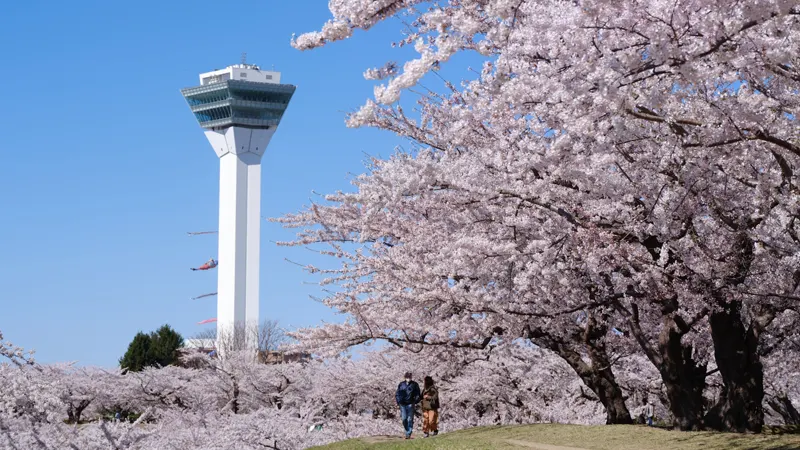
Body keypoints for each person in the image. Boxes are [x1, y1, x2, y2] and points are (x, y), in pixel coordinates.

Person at [395, 371, 421, 439]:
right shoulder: (401, 384)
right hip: (402, 404)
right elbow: (397, 394)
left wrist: (415, 401)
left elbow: (418, 394)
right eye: (407, 377)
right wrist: (398, 402)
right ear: (405, 377)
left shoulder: (414, 384)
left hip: (410, 403)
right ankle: (406, 430)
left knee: (410, 418)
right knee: (404, 419)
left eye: (409, 377)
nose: (408, 378)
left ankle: (408, 433)